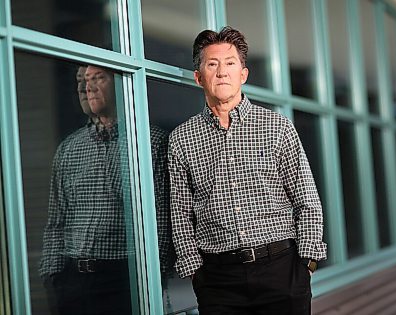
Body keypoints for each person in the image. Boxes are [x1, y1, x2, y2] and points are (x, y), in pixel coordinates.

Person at [168, 26, 327, 314]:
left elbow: (306, 198)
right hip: (218, 281)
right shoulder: (182, 138)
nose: (222, 72)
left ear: (243, 74)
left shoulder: (277, 127)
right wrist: (196, 273)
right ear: (198, 76)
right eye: (212, 64)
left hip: (281, 271)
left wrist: (308, 262)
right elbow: (180, 212)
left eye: (230, 64)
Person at [39, 65, 172, 315]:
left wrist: (156, 277)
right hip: (72, 281)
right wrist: (52, 275)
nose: (87, 87)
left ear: (121, 84)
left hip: (126, 278)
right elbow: (56, 222)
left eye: (98, 78)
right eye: (83, 80)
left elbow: (162, 220)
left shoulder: (150, 143)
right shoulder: (68, 149)